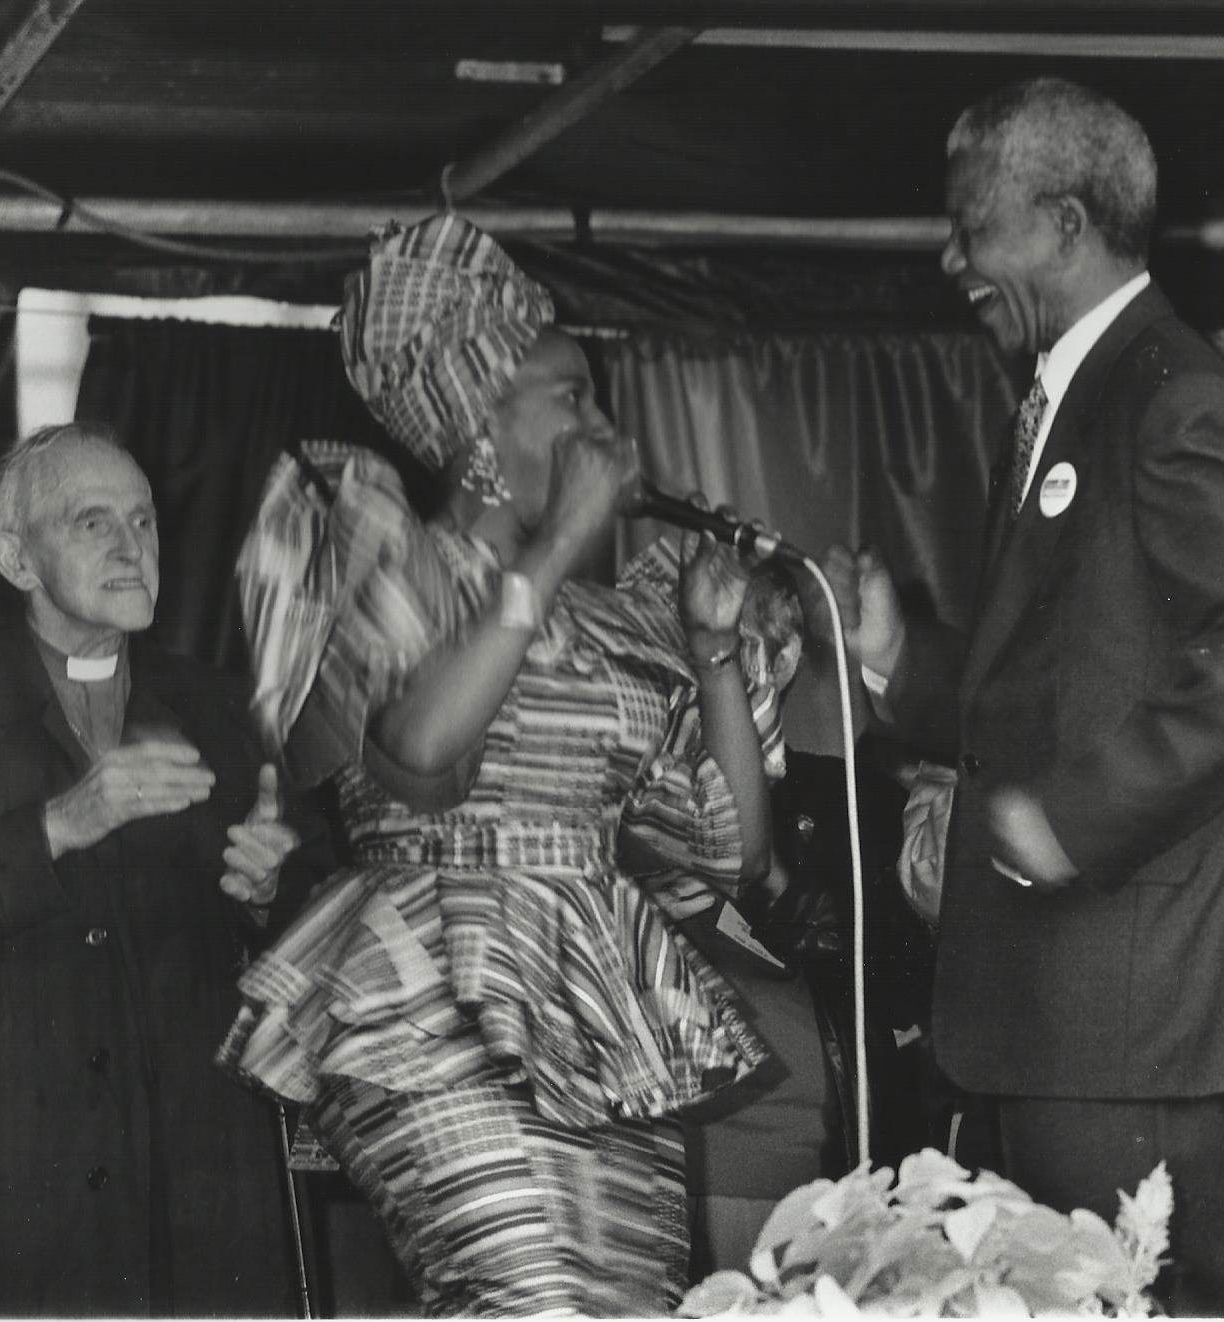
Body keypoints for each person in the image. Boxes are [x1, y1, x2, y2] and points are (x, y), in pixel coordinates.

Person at [825, 77, 1224, 1312]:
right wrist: (903, 657)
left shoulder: (1165, 391)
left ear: (1062, 222)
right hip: (1073, 1008)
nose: (952, 257)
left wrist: (1074, 816)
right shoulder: (1079, 396)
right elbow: (1061, 690)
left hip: (1135, 999)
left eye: (972, 224)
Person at [217, 215, 785, 1316]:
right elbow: (419, 758)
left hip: (594, 1002)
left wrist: (712, 654)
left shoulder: (609, 621)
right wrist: (555, 542)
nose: (602, 425)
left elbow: (731, 848)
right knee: (526, 1300)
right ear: (481, 421)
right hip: (429, 997)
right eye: (571, 395)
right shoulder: (380, 544)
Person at [0, 421, 318, 1315]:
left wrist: (269, 891)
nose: (134, 549)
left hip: (199, 1173)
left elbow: (310, 916)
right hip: (16, 1170)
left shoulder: (220, 706)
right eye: (93, 523)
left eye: (144, 521)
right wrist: (63, 821)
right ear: (15, 560)